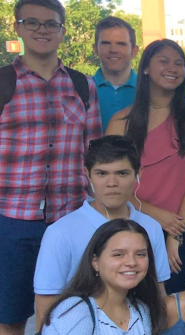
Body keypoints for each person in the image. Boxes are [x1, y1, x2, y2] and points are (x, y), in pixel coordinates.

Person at [1, 1, 102, 332]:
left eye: (50, 24)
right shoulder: (3, 82)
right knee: (10, 315)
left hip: (68, 218)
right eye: (32, 23)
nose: (41, 30)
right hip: (11, 220)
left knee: (72, 313)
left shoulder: (82, 85)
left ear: (62, 31)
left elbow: (94, 154)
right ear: (17, 28)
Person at [106, 39, 185, 295]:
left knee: (169, 304)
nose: (173, 68)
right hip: (129, 223)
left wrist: (174, 235)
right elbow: (111, 186)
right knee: (129, 302)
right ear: (145, 68)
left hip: (180, 227)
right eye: (164, 61)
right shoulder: (121, 122)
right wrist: (156, 215)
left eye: (179, 63)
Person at [34, 135, 170, 328]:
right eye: (102, 173)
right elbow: (45, 305)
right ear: (87, 174)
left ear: (138, 173)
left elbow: (158, 292)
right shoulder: (60, 232)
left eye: (122, 173)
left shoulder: (151, 227)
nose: (112, 182)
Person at [40, 219, 167, 334]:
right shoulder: (76, 311)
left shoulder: (141, 310)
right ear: (95, 262)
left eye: (140, 254)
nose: (132, 262)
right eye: (118, 254)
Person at [92, 16, 139, 130]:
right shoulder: (81, 90)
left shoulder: (148, 90)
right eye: (106, 43)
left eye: (121, 44)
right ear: (95, 49)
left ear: (134, 51)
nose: (113, 50)